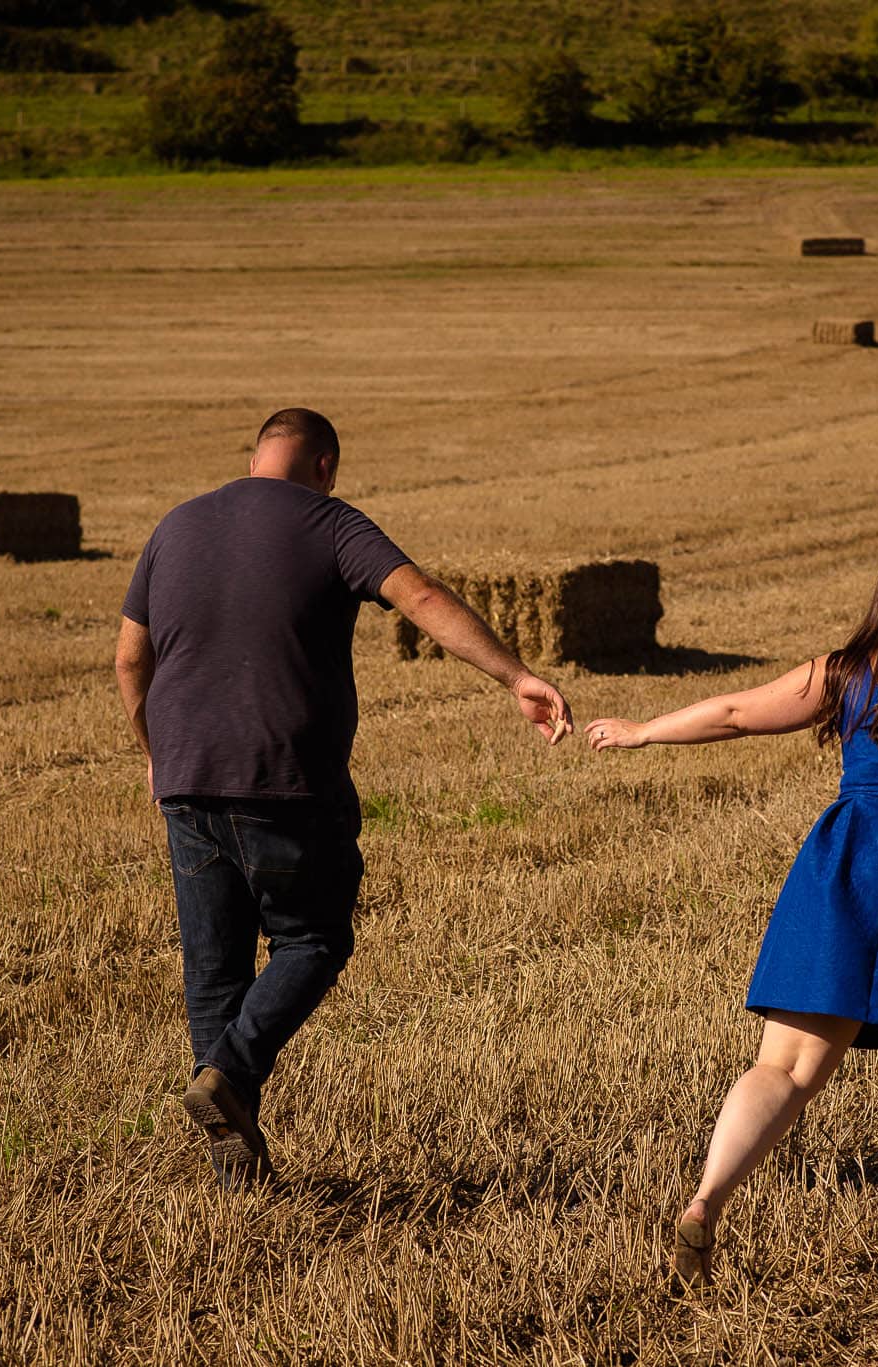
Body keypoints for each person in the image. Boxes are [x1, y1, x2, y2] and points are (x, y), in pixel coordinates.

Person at [584, 544, 878, 1283]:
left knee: (784, 1065)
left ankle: (707, 1199)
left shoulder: (843, 672)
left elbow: (735, 713)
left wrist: (643, 728)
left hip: (842, 865)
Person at [115, 407, 574, 1189]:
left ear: (256, 453)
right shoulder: (328, 521)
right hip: (283, 775)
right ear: (324, 464)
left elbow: (130, 659)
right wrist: (515, 673)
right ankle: (228, 1072)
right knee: (313, 939)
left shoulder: (176, 525)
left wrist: (157, 756)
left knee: (214, 974)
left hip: (186, 779)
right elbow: (420, 596)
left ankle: (234, 1171)